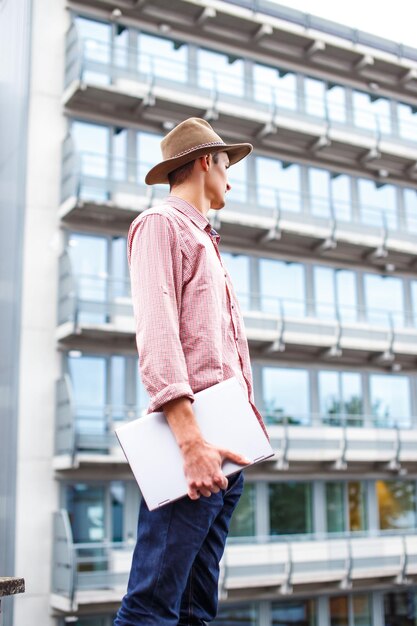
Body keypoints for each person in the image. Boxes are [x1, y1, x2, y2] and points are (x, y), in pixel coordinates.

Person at [114, 117, 267, 626]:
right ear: (206, 162)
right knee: (151, 610)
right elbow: (158, 338)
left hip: (224, 457)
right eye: (227, 165)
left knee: (194, 612)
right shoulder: (161, 225)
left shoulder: (207, 242)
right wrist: (191, 444)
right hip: (194, 455)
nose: (231, 178)